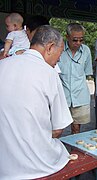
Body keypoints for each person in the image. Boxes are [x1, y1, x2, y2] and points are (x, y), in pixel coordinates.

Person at [0, 25, 73, 179]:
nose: (58, 61)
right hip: (37, 165)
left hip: (3, 165)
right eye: (59, 55)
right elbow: (58, 130)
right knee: (63, 151)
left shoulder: (2, 65)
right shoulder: (49, 73)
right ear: (50, 47)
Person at [58, 23, 93, 134]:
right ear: (67, 37)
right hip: (62, 96)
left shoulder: (86, 51)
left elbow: (87, 72)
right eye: (75, 40)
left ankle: (74, 151)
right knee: (57, 130)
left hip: (80, 96)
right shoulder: (59, 49)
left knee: (76, 130)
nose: (78, 43)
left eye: (81, 40)